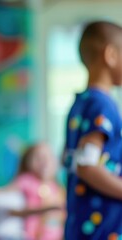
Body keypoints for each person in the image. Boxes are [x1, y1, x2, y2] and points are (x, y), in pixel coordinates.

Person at [63, 20, 122, 239]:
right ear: (111, 55)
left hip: (81, 222)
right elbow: (86, 165)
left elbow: (69, 158)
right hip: (101, 226)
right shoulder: (102, 104)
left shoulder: (81, 103)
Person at [14, 143, 65, 240]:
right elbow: (10, 204)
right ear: (27, 162)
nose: (44, 160)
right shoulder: (26, 181)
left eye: (48, 156)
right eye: (38, 157)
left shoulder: (58, 187)